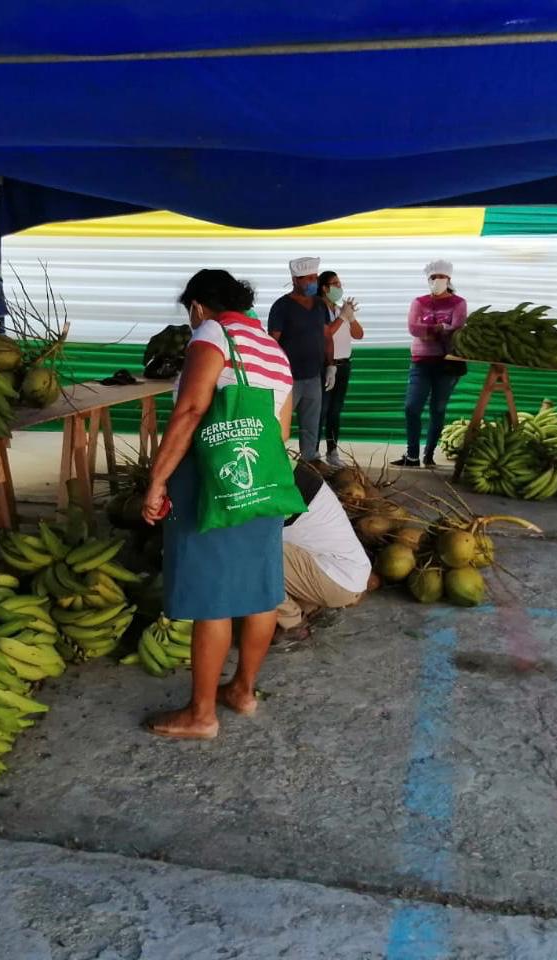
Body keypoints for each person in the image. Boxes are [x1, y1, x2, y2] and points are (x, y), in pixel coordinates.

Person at [141, 269, 294, 740]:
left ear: (198, 307)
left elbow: (190, 411)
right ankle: (243, 691)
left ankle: (201, 714)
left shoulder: (211, 334)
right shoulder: (272, 347)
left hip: (214, 482)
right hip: (265, 481)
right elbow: (281, 432)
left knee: (213, 598)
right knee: (261, 590)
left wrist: (158, 480)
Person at [277, 461, 373, 641]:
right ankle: (312, 606)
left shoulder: (274, 480)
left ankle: (291, 624)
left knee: (250, 556)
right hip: (346, 574)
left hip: (337, 579)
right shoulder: (285, 467)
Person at [394, 259, 467, 468]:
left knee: (438, 408)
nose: (437, 280)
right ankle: (412, 455)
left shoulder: (459, 303)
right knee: (412, 407)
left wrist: (433, 329)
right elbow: (413, 328)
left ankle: (429, 454)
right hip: (420, 362)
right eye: (433, 277)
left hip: (446, 363)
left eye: (441, 277)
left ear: (449, 279)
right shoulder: (419, 302)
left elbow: (457, 329)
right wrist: (440, 328)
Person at [269, 256, 333, 462]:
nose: (313, 282)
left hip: (314, 375)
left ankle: (309, 464)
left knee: (311, 426)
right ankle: (275, 464)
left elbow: (326, 335)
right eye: (308, 279)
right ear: (295, 279)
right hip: (288, 379)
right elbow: (273, 342)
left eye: (315, 277)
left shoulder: (320, 305)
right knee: (278, 425)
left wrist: (330, 365)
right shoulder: (281, 306)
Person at [318, 270, 365, 468]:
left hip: (344, 365)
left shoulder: (340, 310)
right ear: (324, 288)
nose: (339, 287)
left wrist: (350, 317)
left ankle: (332, 451)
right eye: (335, 284)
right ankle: (311, 451)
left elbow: (359, 334)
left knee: (335, 412)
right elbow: (326, 333)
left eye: (340, 284)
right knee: (321, 410)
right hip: (326, 366)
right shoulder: (317, 310)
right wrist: (342, 317)